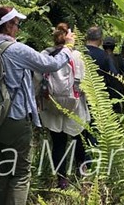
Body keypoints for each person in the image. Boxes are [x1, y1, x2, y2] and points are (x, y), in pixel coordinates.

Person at [0, 6, 70, 205]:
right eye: (16, 24)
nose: (18, 29)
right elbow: (50, 63)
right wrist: (68, 49)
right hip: (15, 118)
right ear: (8, 26)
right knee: (20, 173)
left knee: (1, 170)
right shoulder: (17, 49)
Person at [37, 23, 90, 189]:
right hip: (75, 106)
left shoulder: (45, 54)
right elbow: (85, 83)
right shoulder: (77, 56)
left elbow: (37, 82)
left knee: (58, 144)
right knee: (78, 141)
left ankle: (62, 179)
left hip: (52, 107)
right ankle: (83, 174)